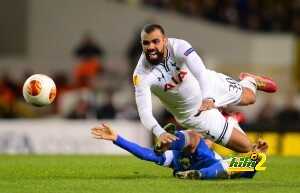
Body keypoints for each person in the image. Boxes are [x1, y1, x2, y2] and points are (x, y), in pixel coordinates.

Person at [133, 24, 277, 153]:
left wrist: (208, 98)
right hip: (195, 114)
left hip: (208, 85)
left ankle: (250, 80)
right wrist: (159, 132)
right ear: (142, 44)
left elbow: (201, 72)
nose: (151, 47)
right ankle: (231, 119)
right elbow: (144, 111)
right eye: (146, 43)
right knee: (245, 147)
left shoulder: (179, 47)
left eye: (155, 41)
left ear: (165, 40)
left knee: (250, 98)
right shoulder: (141, 75)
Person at [91, 123, 268, 180]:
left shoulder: (197, 148)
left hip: (223, 167)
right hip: (218, 167)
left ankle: (198, 173)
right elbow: (146, 154)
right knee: (236, 164)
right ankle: (170, 140)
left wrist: (258, 154)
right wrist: (117, 139)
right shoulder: (180, 155)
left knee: (239, 164)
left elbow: (251, 169)